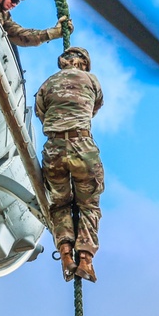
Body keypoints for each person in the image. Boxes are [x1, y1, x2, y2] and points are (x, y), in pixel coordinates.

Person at [34, 46, 104, 282]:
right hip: (81, 145)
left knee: (60, 204)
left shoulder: (47, 83)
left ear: (63, 62)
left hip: (54, 148)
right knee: (88, 205)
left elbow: (41, 112)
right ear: (84, 64)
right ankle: (84, 259)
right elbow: (94, 107)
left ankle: (65, 255)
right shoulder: (91, 80)